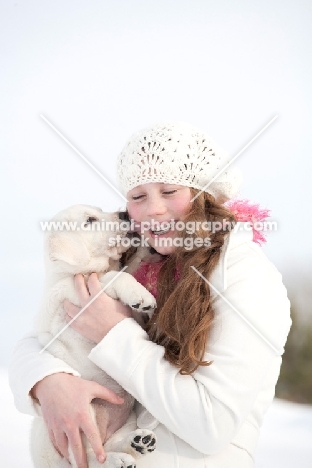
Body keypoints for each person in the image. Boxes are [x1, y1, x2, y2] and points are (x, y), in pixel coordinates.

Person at [9, 121, 291, 468]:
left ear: (206, 194)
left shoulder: (246, 275)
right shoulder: (138, 263)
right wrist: (48, 381)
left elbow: (210, 425)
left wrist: (114, 333)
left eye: (170, 191)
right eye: (138, 196)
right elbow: (42, 332)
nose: (152, 209)